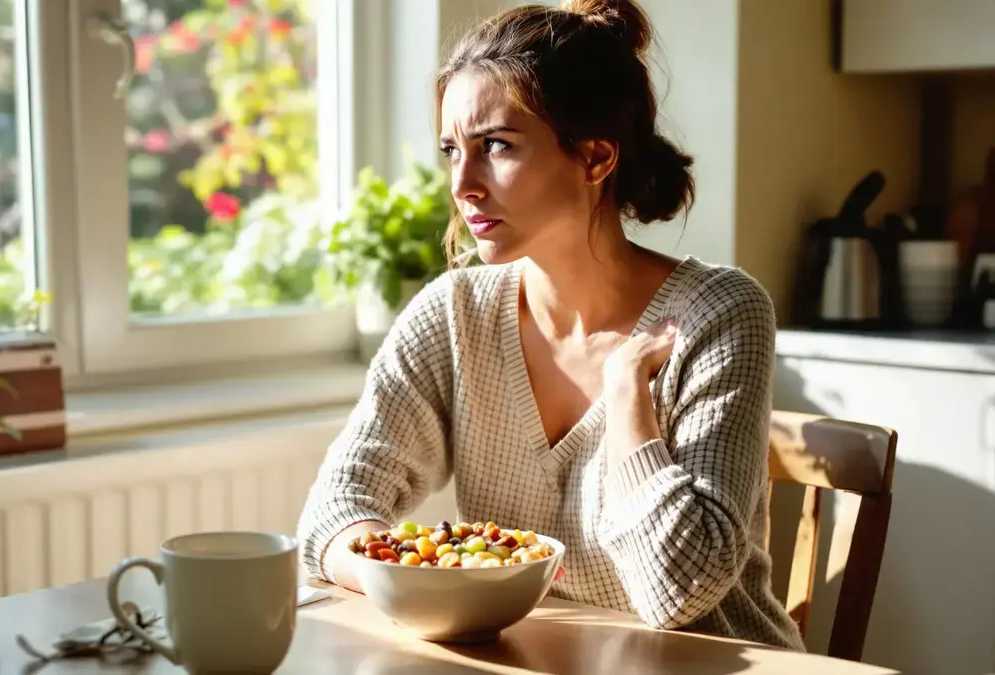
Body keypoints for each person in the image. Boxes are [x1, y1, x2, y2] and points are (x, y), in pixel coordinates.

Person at [296, 0, 804, 651]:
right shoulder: (454, 314)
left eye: (496, 147)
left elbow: (679, 592)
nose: (463, 184)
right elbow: (329, 519)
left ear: (595, 159)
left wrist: (628, 399)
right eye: (453, 150)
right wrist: (430, 573)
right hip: (536, 659)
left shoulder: (722, 314)